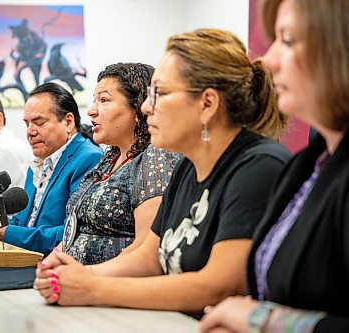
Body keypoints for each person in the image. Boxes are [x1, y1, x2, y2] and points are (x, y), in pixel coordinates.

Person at [34, 29, 291, 314]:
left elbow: (219, 286)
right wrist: (83, 275)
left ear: (207, 104)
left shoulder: (258, 166)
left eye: (161, 93)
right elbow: (148, 257)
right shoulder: (186, 167)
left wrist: (93, 288)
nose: (146, 106)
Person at [200, 0, 349, 332]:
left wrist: (258, 319)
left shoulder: (265, 162)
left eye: (288, 40)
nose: (269, 60)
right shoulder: (307, 164)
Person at [61, 63, 181, 265]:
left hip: (112, 287)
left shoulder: (156, 157)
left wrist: (85, 277)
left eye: (104, 100)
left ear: (139, 107)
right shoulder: (110, 158)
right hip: (75, 282)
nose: (91, 111)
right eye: (94, 101)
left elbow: (146, 248)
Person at [0, 83, 103, 255]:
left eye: (39, 123)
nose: (30, 132)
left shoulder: (88, 158)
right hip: (25, 261)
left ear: (68, 122)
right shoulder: (38, 162)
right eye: (27, 124)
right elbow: (23, 219)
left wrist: (7, 232)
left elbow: (74, 232)